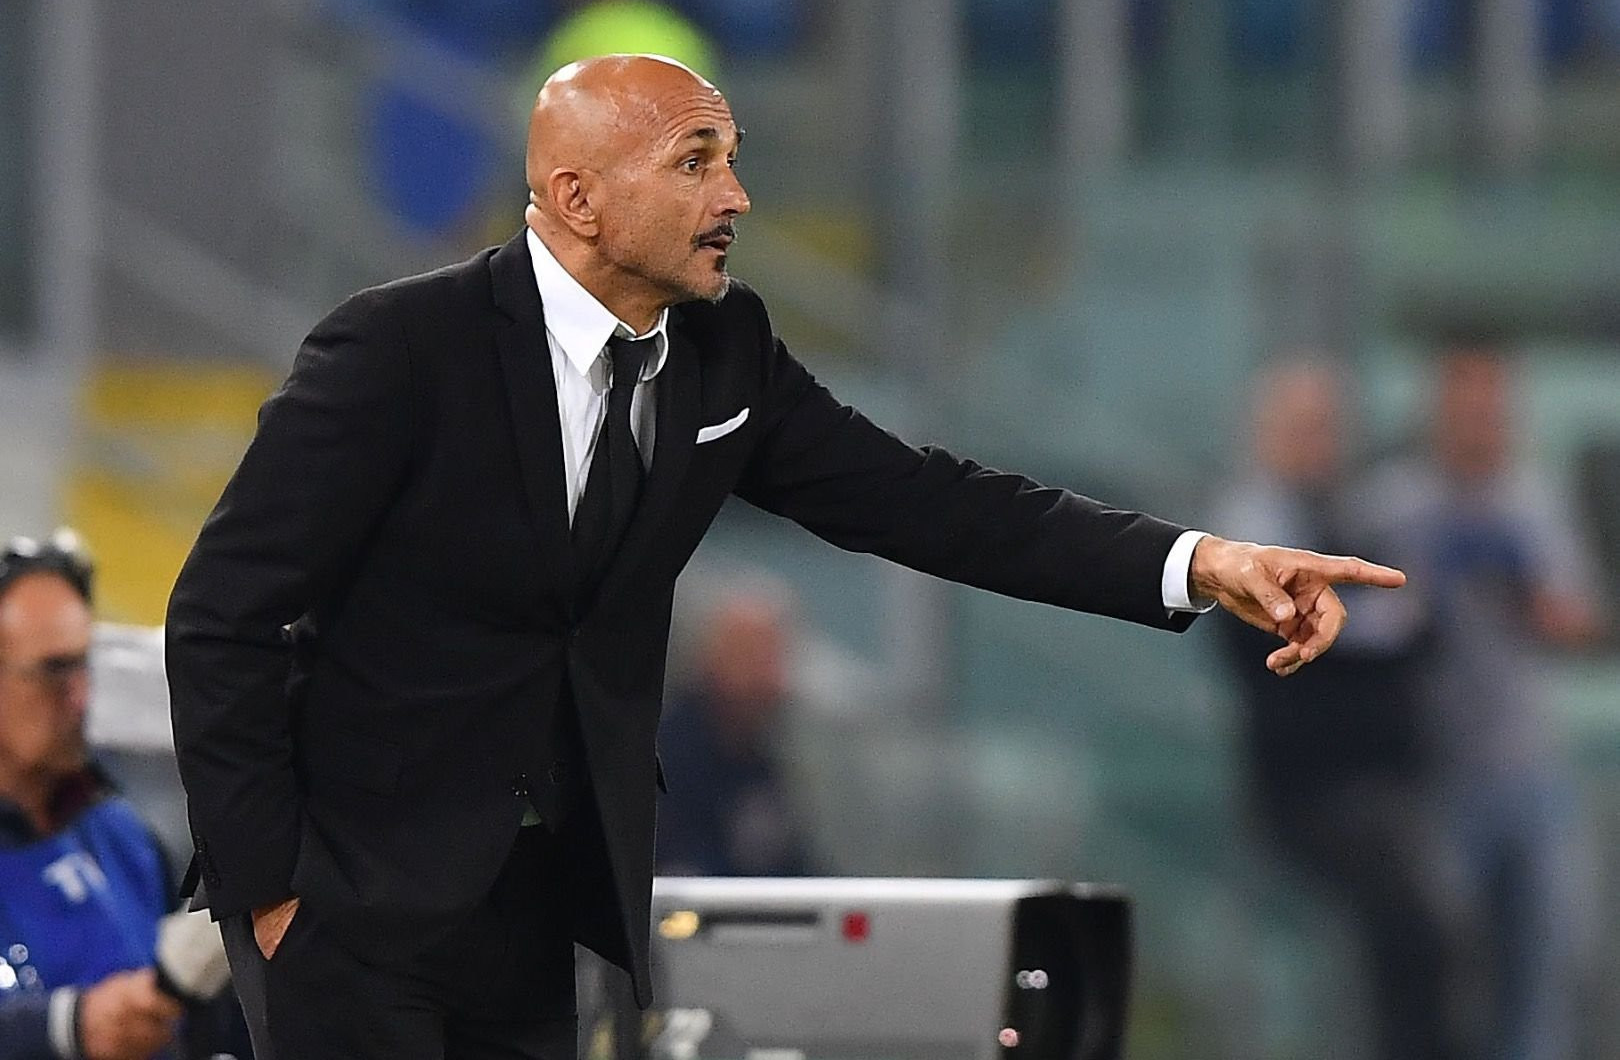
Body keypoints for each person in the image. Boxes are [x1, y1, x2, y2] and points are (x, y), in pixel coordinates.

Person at [165, 54, 1405, 1060]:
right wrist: (271, 888)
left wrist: (1198, 561)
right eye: (695, 161)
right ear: (579, 199)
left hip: (549, 911)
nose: (737, 197)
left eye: (734, 159)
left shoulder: (726, 353)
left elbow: (929, 503)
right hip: (350, 905)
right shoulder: (397, 350)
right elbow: (222, 612)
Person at [1213, 361, 1462, 1060]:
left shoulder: (1359, 525)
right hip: (1312, 790)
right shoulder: (1247, 542)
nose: (1317, 444)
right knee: (1412, 929)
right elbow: (1282, 642)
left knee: (1434, 933)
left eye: (1327, 428)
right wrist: (1365, 638)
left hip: (1391, 780)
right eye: (1301, 428)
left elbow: (1421, 624)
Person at [1363, 348, 1601, 1060]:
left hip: (1527, 763)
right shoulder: (1393, 506)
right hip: (1432, 768)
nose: (1481, 426)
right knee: (1439, 961)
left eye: (1492, 412)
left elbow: (1578, 621)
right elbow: (1362, 627)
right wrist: (1425, 595)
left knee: (1541, 964)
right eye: (1466, 412)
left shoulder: (1533, 502)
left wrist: (1524, 590)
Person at [0, 533, 192, 1060]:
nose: (81, 697)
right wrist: (67, 1027)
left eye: (85, 665)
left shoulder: (122, 836)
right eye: (54, 671)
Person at [657, 589, 814, 877]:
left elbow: (794, 867)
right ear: (713, 657)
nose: (774, 679)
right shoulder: (665, 760)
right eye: (757, 656)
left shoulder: (759, 759)